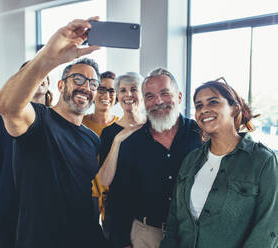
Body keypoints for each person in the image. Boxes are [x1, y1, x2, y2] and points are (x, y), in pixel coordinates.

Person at [0, 18, 108, 248]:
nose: (86, 87)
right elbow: (7, 106)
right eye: (78, 79)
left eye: (93, 84)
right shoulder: (38, 120)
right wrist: (47, 58)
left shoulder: (92, 139)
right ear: (60, 85)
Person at [160, 79, 278, 248]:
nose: (204, 110)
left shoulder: (262, 161)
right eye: (199, 105)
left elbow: (268, 229)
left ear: (234, 108)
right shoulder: (191, 160)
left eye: (213, 102)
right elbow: (174, 221)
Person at [110, 68, 202, 248]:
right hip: (145, 235)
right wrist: (122, 242)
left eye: (165, 93)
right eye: (150, 96)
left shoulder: (200, 135)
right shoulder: (131, 141)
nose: (158, 101)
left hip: (191, 234)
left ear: (180, 97)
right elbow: (119, 196)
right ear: (144, 102)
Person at [0, 62, 53, 248]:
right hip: (6, 204)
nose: (38, 78)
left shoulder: (56, 119)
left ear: (49, 82)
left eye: (42, 72)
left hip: (42, 209)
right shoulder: (4, 117)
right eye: (30, 74)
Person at [93, 72, 146, 239]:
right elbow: (104, 180)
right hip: (118, 215)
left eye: (133, 89)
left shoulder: (153, 128)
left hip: (148, 216)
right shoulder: (110, 133)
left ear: (143, 94)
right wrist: (117, 141)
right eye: (123, 90)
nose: (128, 95)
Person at [82, 71, 119, 136]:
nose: (106, 96)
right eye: (102, 89)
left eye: (111, 91)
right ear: (93, 92)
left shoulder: (121, 125)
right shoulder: (81, 123)